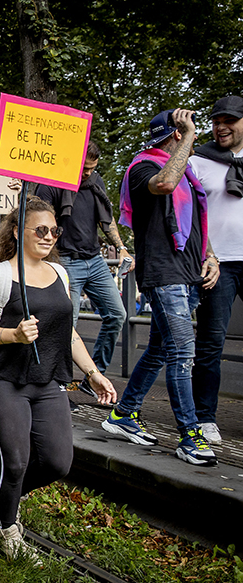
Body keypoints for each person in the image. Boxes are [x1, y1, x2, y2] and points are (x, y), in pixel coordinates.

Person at [0, 196, 117, 562]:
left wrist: (93, 373)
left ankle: (8, 493)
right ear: (19, 232)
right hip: (4, 380)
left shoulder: (61, 274)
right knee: (15, 462)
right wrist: (13, 335)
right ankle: (8, 528)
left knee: (57, 462)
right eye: (41, 229)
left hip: (48, 382)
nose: (49, 236)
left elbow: (68, 333)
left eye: (55, 230)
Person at [104, 108, 221, 466]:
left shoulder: (186, 174)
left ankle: (124, 414)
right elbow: (164, 184)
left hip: (186, 273)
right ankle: (189, 436)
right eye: (184, 136)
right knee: (183, 354)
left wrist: (211, 256)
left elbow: (198, 224)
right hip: (163, 274)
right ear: (172, 136)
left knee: (158, 349)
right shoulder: (142, 168)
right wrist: (187, 138)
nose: (192, 141)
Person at [34, 141, 132, 397]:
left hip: (95, 261)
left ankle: (94, 374)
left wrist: (120, 248)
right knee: (67, 324)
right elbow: (39, 219)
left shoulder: (95, 183)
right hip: (66, 261)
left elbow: (106, 221)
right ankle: (58, 386)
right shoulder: (52, 183)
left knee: (117, 314)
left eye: (92, 168)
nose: (88, 173)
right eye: (84, 168)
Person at [190, 96, 243, 444]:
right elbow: (188, 214)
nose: (221, 126)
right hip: (217, 263)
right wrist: (207, 253)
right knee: (211, 342)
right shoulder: (198, 161)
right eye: (216, 120)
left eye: (230, 120)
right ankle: (204, 416)